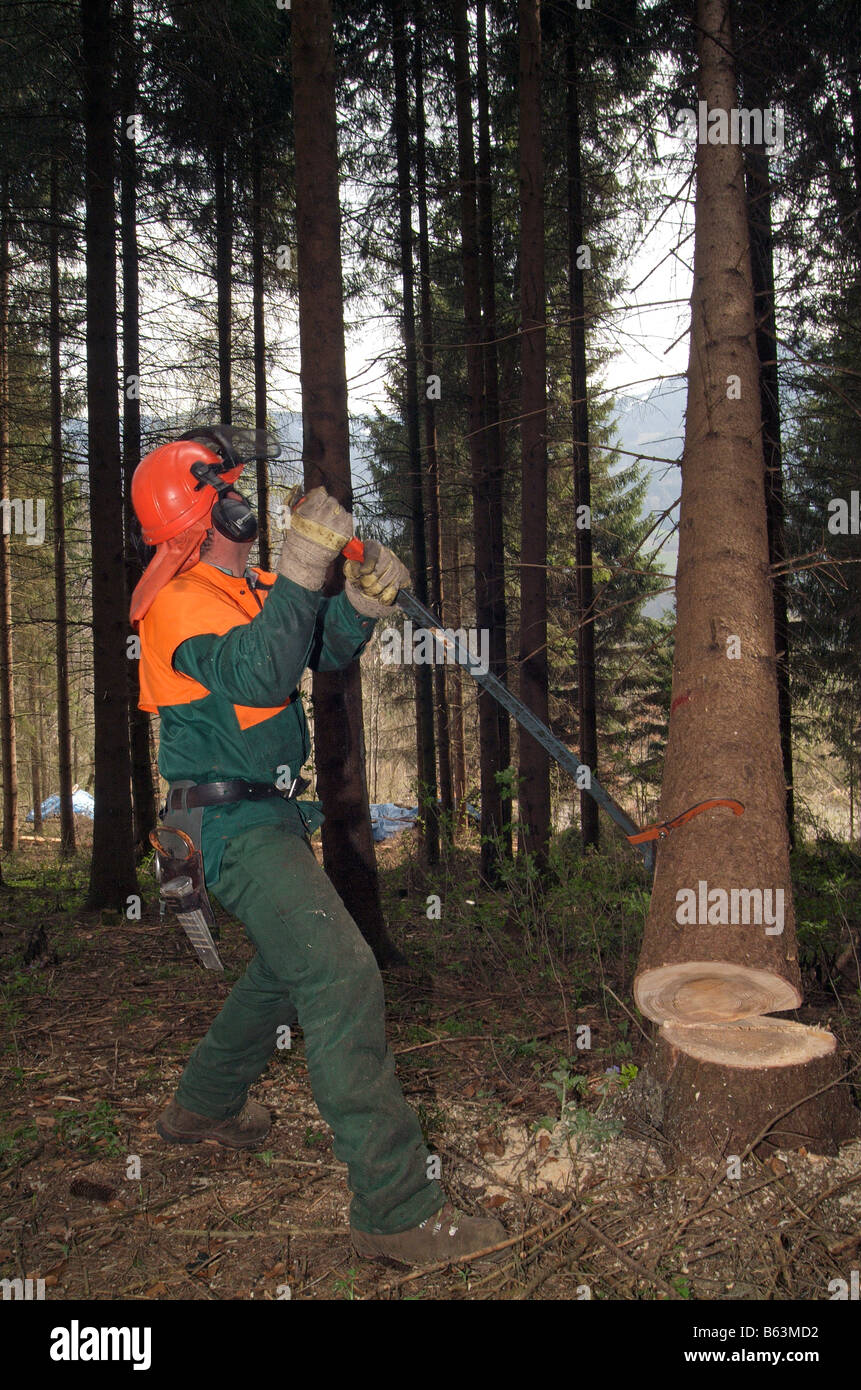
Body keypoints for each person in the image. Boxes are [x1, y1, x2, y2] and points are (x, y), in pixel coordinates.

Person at [129, 430, 507, 1266]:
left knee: (287, 966)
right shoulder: (177, 603)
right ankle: (396, 1210)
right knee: (338, 971)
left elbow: (318, 645)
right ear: (208, 509)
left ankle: (204, 1105)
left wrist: (361, 602)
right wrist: (306, 561)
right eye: (229, 490)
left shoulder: (244, 586)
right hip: (223, 824)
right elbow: (262, 675)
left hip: (266, 814)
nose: (247, 504)